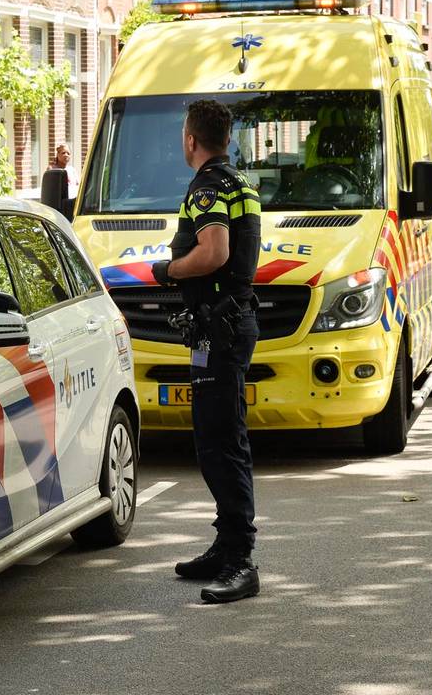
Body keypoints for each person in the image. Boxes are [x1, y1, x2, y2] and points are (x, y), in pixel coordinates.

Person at [150, 99, 262, 603]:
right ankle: (225, 545)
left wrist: (167, 270)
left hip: (220, 328)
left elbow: (213, 252)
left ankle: (239, 559)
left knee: (220, 444)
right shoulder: (240, 183)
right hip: (230, 323)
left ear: (191, 140)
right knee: (219, 441)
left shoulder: (207, 188)